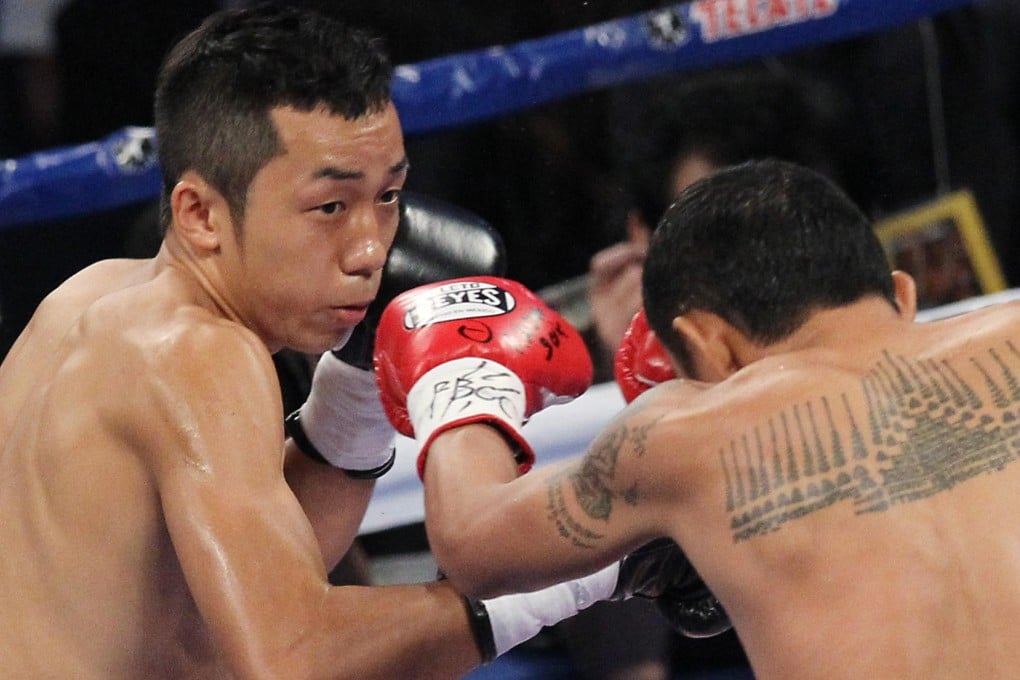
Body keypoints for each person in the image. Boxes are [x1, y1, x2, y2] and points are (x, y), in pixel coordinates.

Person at [0, 5, 696, 677]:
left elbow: (231, 602)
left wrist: (358, 382)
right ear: (201, 213)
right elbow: (296, 659)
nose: (370, 249)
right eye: (329, 206)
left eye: (388, 195)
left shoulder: (87, 297)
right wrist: (596, 564)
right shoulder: (196, 353)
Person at [376, 158, 1020, 679]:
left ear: (708, 343)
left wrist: (463, 380)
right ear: (902, 293)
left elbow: (472, 546)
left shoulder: (687, 433)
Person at [540, 64, 854, 384]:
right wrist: (634, 376)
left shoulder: (884, 340)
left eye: (780, 233)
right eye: (720, 240)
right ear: (644, 242)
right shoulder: (585, 417)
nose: (757, 268)